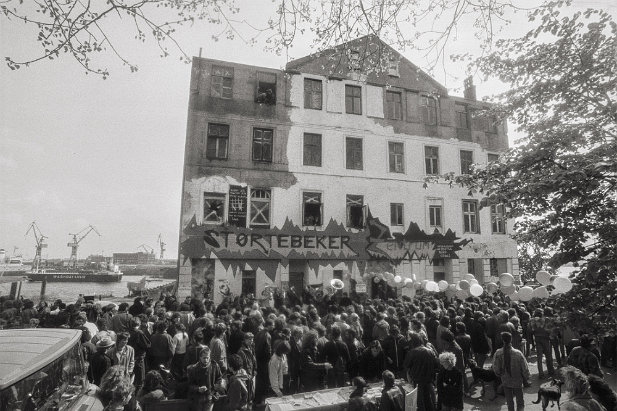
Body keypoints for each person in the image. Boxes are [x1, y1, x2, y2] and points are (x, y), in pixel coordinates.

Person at [493, 331, 530, 411]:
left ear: (502, 340)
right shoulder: (518, 353)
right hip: (518, 380)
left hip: (505, 380)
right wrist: (526, 377)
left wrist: (500, 375)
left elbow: (496, 368)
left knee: (510, 402)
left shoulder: (498, 353)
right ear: (511, 340)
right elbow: (525, 368)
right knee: (520, 402)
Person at [404, 332, 438, 411]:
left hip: (417, 380)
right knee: (428, 399)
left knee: (420, 402)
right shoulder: (430, 351)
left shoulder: (412, 352)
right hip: (428, 380)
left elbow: (406, 366)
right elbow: (436, 365)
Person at [187, 346, 224, 411]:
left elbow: (219, 378)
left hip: (210, 396)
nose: (206, 360)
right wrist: (198, 389)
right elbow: (190, 385)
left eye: (207, 358)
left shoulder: (215, 366)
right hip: (198, 399)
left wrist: (217, 385)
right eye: (204, 358)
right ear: (200, 357)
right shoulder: (193, 369)